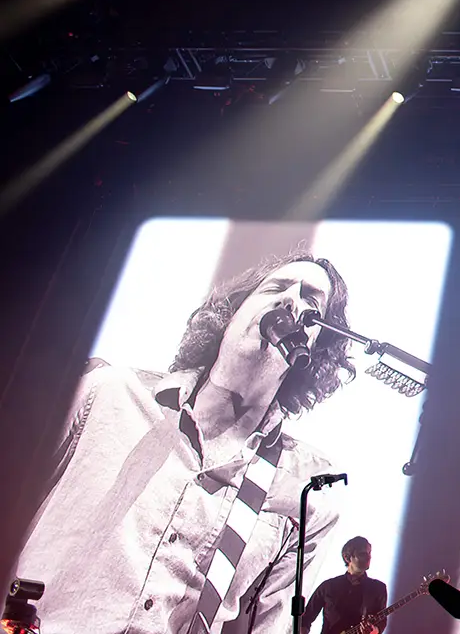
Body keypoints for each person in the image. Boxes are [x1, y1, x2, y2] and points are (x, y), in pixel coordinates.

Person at [15, 250, 356, 633]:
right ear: (232, 314)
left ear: (316, 350)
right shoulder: (107, 395)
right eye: (276, 288)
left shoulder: (307, 495)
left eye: (312, 304)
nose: (291, 301)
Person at [302, 536, 388, 634]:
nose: (368, 557)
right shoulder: (328, 587)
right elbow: (306, 618)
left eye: (369, 553)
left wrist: (373, 631)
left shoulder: (378, 588)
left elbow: (381, 623)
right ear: (347, 557)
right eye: (362, 554)